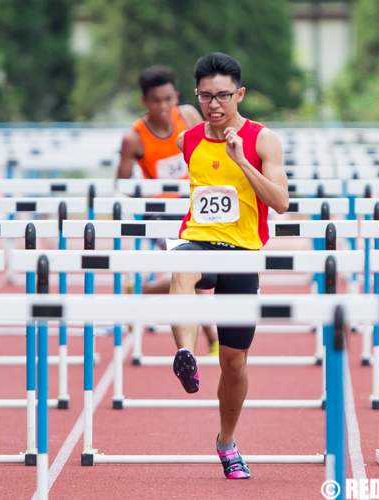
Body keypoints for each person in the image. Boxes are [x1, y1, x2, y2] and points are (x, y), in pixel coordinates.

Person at [170, 52, 289, 480]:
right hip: (200, 240)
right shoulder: (189, 139)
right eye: (206, 96)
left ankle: (226, 442)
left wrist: (241, 161)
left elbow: (281, 203)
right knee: (180, 269)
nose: (214, 104)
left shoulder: (263, 140)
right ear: (197, 96)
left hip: (242, 252)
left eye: (223, 95)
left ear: (240, 93)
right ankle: (184, 352)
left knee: (235, 362)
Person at [116, 65, 219, 355]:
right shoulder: (133, 138)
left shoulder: (187, 116)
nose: (164, 106)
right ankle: (213, 341)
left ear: (177, 97)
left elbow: (211, 151)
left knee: (199, 272)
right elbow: (121, 185)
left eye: (168, 99)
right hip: (160, 214)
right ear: (145, 102)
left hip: (197, 205)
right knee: (191, 271)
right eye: (156, 100)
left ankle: (140, 293)